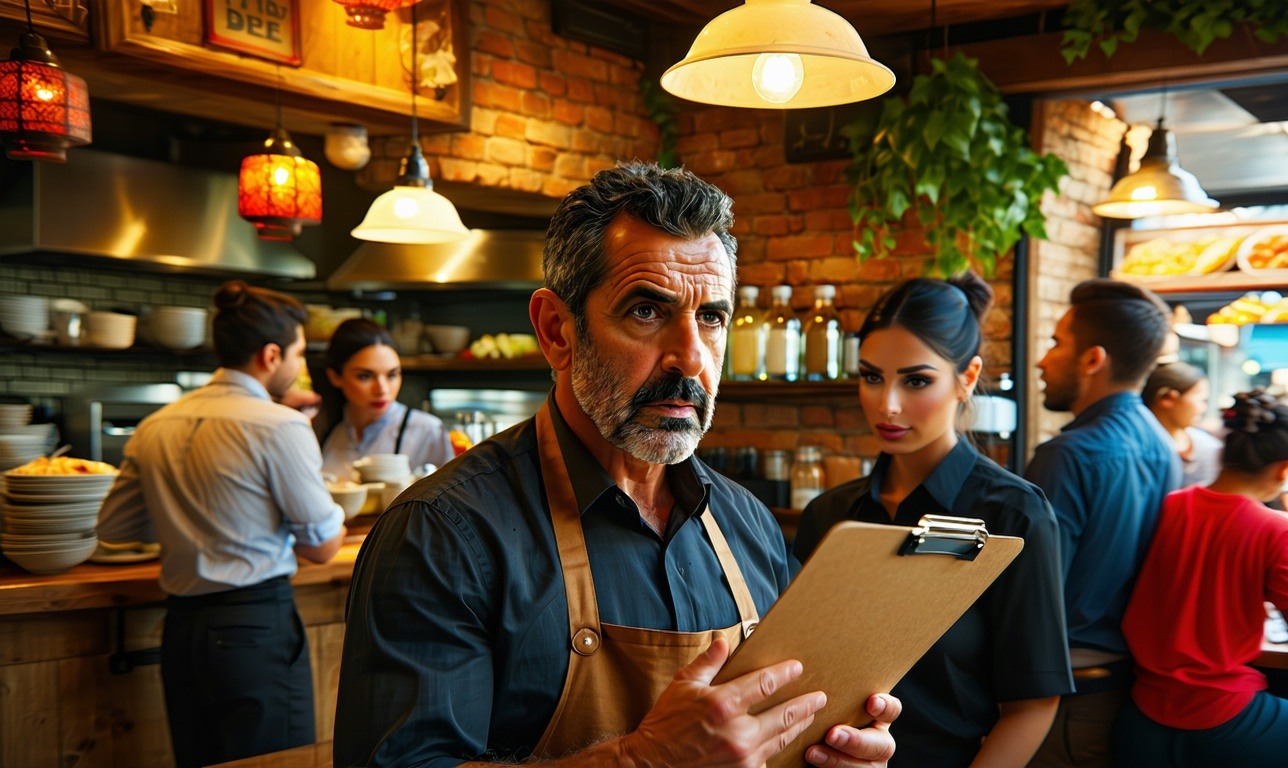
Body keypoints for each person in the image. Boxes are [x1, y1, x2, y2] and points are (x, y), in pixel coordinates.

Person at [333, 162, 899, 767]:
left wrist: (830, 750)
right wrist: (639, 761)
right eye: (647, 312)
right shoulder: (443, 532)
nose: (690, 359)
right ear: (557, 331)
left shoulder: (750, 526)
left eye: (711, 317)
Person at [792, 274, 1073, 768]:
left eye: (916, 380)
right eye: (872, 376)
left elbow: (1033, 704)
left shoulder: (1014, 514)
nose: (888, 405)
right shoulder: (830, 515)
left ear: (967, 378)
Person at [96, 280, 347, 768]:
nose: (300, 368)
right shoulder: (279, 425)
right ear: (271, 355)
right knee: (279, 763)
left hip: (183, 630)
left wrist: (189, 517)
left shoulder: (157, 424)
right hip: (255, 627)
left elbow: (115, 525)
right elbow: (321, 547)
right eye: (298, 354)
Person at [1114, 389, 1288, 766]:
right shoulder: (1279, 531)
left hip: (1141, 717)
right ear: (1285, 467)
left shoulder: (1170, 505)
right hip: (1226, 718)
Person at [1025, 279, 1181, 768]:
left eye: (1055, 344)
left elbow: (1033, 594)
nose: (1041, 361)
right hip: (1127, 689)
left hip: (1062, 701)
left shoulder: (1067, 456)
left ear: (1093, 359)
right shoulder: (1163, 445)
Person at [319, 317, 453, 481]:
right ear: (335, 377)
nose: (382, 389)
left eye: (392, 375)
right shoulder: (325, 433)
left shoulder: (427, 431)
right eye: (365, 376)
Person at [1140, 361, 1222, 487]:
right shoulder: (1137, 449)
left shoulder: (1210, 447)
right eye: (1201, 400)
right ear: (1167, 398)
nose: (1203, 408)